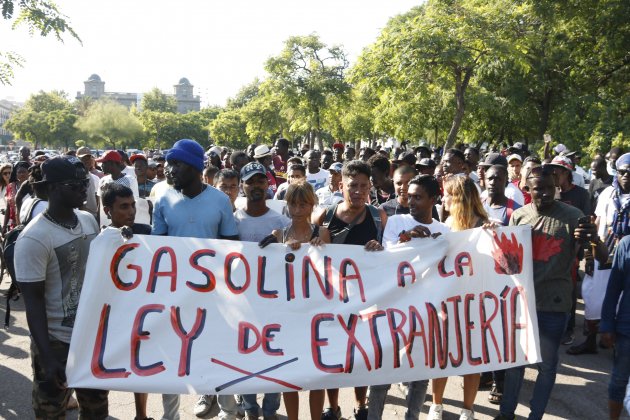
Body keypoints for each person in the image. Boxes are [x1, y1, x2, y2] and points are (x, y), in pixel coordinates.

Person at [495, 165, 607, 420]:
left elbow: (601, 257)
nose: (544, 194)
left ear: (556, 188)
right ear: (528, 190)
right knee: (515, 363)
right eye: (538, 189)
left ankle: (536, 415)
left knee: (546, 365)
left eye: (549, 188)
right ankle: (506, 413)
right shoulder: (519, 216)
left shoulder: (573, 216)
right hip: (521, 302)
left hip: (554, 304)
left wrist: (594, 240)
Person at [15, 155, 108, 419]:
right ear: (53, 188)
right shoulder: (34, 238)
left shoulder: (88, 220)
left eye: (84, 183)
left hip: (90, 338)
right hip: (56, 342)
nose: (83, 189)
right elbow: (33, 303)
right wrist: (47, 357)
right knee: (50, 412)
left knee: (96, 410)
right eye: (74, 185)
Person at [152, 139, 239, 420]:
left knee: (217, 350)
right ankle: (171, 414)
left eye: (175, 164)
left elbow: (231, 247)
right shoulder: (163, 199)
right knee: (170, 354)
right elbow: (157, 247)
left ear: (192, 167)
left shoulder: (220, 200)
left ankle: (227, 408)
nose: (169, 169)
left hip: (214, 294)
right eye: (169, 164)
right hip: (173, 293)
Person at [368, 174, 447, 420]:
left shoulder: (444, 231)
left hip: (426, 310)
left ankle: (412, 416)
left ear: (434, 199)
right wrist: (409, 237)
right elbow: (387, 255)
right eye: (409, 196)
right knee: (383, 370)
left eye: (418, 197)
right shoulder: (395, 222)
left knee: (420, 372)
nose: (410, 201)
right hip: (393, 306)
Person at [314, 159, 388, 420]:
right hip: (331, 299)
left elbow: (392, 255)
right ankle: (332, 407)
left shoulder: (379, 217)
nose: (358, 191)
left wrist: (380, 250)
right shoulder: (325, 216)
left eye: (363, 186)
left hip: (367, 299)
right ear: (340, 184)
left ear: (370, 187)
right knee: (331, 358)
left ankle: (360, 404)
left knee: (362, 355)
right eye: (352, 185)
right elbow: (310, 255)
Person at [264, 181, 330, 420]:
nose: (298, 209)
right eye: (294, 204)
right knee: (289, 373)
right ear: (288, 205)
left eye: (303, 204)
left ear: (312, 205)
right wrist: (285, 251)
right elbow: (268, 272)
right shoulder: (278, 235)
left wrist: (319, 249)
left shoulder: (321, 233)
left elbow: (331, 270)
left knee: (316, 374)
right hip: (286, 314)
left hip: (314, 313)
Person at [234, 161, 290, 420]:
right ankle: (249, 408)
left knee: (274, 357)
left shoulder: (282, 222)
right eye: (250, 181)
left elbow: (298, 256)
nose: (256, 186)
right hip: (241, 303)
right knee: (244, 357)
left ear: (268, 184)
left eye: (260, 181)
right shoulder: (232, 221)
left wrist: (286, 241)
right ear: (242, 186)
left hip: (274, 304)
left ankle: (270, 410)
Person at [429, 175, 488, 420]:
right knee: (442, 354)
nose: (444, 198)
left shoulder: (486, 225)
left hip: (476, 302)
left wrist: (494, 236)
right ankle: (436, 405)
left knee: (473, 357)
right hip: (448, 301)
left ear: (460, 198)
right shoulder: (447, 224)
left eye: (448, 194)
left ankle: (468, 408)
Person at [99, 183, 152, 419]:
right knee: (106, 365)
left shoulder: (147, 232)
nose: (131, 212)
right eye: (123, 207)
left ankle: (141, 414)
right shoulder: (100, 239)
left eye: (132, 206)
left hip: (141, 311)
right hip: (111, 313)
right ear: (108, 210)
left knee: (141, 364)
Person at [569, 153, 630, 356]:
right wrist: (588, 255)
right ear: (617, 173)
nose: (626, 176)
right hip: (602, 255)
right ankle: (590, 341)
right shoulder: (607, 194)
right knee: (593, 299)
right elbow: (595, 223)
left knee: (622, 303)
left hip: (626, 261)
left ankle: (618, 348)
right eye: (622, 172)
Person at [600, 235, 630, 420]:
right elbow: (613, 288)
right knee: (619, 381)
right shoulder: (626, 244)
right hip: (626, 330)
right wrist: (607, 324)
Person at [3, 160, 30, 233]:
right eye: (19, 172)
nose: (21, 174)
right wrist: (4, 226)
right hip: (14, 226)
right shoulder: (10, 187)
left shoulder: (33, 186)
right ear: (16, 174)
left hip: (29, 225)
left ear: (29, 173)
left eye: (24, 172)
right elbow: (8, 208)